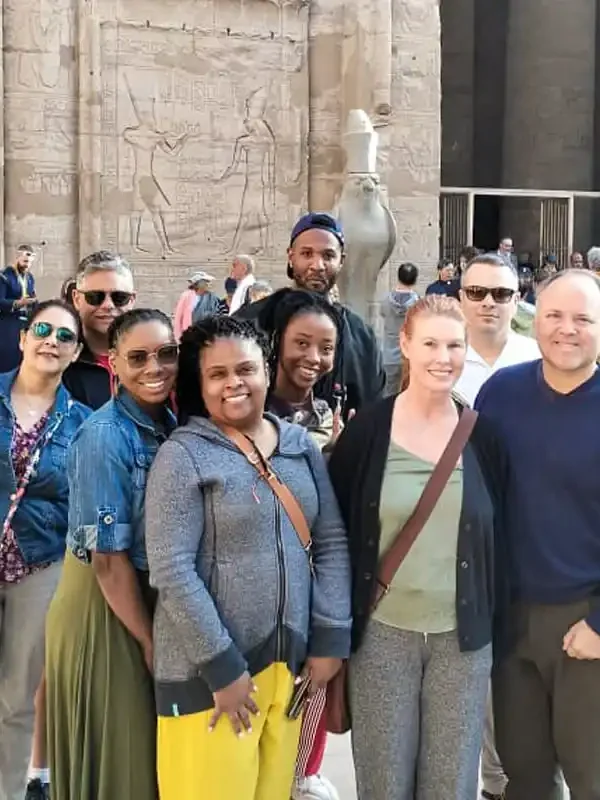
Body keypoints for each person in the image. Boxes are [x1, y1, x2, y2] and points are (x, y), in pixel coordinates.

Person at [145, 315, 352, 800]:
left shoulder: (298, 446)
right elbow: (172, 570)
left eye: (245, 369)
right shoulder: (182, 456)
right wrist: (222, 668)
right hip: (211, 683)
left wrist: (329, 638)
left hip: (289, 672)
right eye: (217, 374)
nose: (234, 383)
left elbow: (331, 541)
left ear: (266, 370)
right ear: (200, 384)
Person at [328, 295, 498, 800]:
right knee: (384, 782)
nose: (442, 358)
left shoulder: (483, 437)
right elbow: (335, 535)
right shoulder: (366, 432)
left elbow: (500, 536)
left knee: (451, 784)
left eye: (454, 345)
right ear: (405, 344)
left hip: (461, 641)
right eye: (429, 344)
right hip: (383, 635)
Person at [475, 269, 600, 800]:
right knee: (524, 775)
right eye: (554, 315)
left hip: (585, 621)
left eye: (583, 319)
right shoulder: (501, 394)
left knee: (591, 777)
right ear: (535, 318)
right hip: (510, 621)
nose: (566, 329)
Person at [45, 308, 178, 800]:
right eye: (138, 357)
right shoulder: (105, 435)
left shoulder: (166, 422)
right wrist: (149, 640)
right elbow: (106, 559)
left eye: (166, 353)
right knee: (122, 765)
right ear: (114, 363)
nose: (154, 367)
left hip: (135, 598)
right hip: (106, 607)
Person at [0, 300, 89, 800]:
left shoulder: (83, 423)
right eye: (42, 330)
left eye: (64, 336)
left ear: (76, 352)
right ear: (22, 338)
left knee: (17, 698)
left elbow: (87, 504)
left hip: (39, 564)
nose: (52, 340)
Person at [260, 289, 344, 800]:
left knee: (313, 681)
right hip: (261, 572)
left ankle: (301, 773)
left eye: (326, 347)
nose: (313, 357)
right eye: (302, 343)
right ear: (277, 343)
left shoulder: (332, 410)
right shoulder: (249, 405)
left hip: (316, 569)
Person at [236, 212, 385, 416]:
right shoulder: (250, 323)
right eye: (307, 254)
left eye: (328, 256)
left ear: (341, 261)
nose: (317, 266)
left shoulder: (362, 338)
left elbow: (373, 407)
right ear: (291, 257)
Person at [453, 254, 540, 407]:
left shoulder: (538, 358)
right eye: (476, 292)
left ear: (516, 300)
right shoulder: (441, 360)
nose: (488, 302)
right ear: (461, 298)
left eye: (501, 293)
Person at [64, 251, 136, 409]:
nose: (108, 305)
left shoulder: (154, 357)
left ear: (132, 301)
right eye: (95, 297)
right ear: (76, 299)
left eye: (119, 297)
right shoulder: (58, 358)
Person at [381, 262, 419, 396]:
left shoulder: (386, 300)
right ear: (415, 280)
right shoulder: (417, 304)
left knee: (388, 395)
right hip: (409, 356)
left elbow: (383, 314)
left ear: (398, 277)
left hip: (388, 356)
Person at [0, 245, 37, 373]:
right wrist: (18, 303)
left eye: (30, 263)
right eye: (25, 261)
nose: (27, 265)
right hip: (8, 323)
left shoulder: (30, 278)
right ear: (17, 257)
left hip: (25, 323)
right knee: (9, 359)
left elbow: (32, 297)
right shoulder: (4, 276)